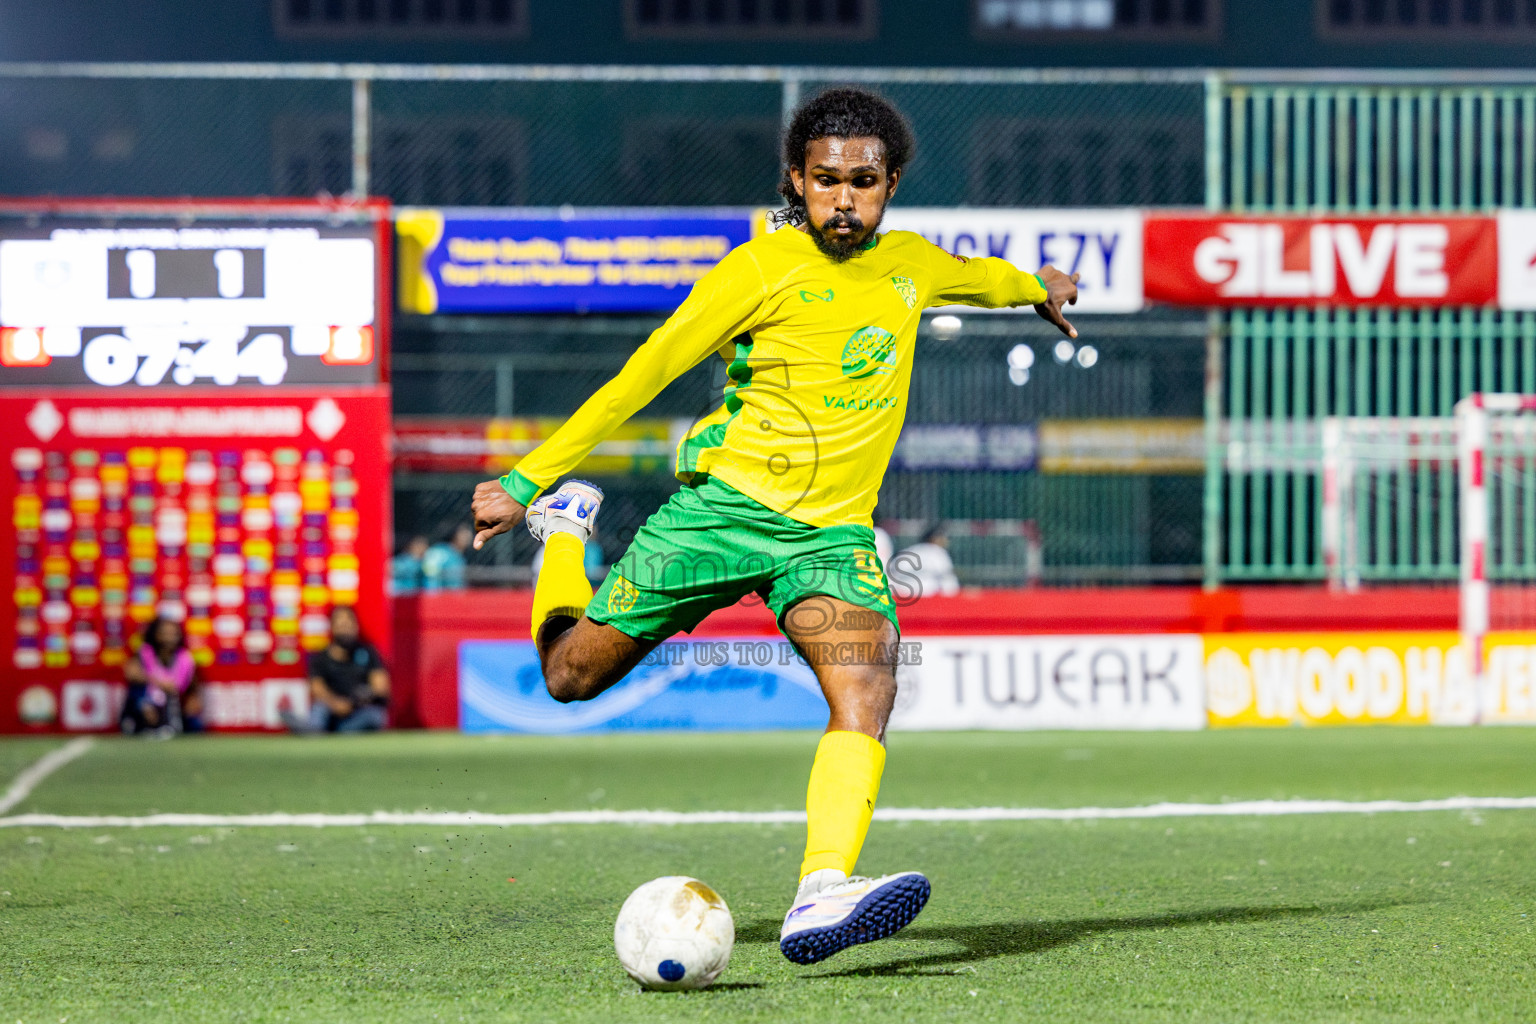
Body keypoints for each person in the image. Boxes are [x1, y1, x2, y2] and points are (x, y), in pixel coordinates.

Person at [469, 87, 1079, 965]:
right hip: (721, 514)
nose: (844, 199)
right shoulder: (755, 271)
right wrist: (529, 482)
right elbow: (643, 375)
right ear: (797, 179)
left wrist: (1041, 289)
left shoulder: (910, 263)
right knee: (570, 677)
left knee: (867, 691)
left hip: (833, 537)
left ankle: (820, 890)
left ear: (891, 182)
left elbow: (987, 277)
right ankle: (569, 530)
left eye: (863, 182)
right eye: (826, 180)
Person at [287, 606, 390, 733]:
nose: (345, 629)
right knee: (319, 709)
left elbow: (381, 687)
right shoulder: (321, 658)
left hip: (358, 710)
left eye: (349, 625)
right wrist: (336, 704)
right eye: (341, 625)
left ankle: (331, 731)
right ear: (332, 627)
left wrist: (357, 699)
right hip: (330, 709)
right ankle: (312, 728)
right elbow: (317, 689)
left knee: (374, 716)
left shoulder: (368, 652)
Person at [120, 617, 204, 736]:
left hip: (175, 702)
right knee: (138, 694)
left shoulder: (184, 657)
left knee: (195, 724)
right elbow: (131, 672)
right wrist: (159, 683)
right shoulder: (146, 652)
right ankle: (138, 722)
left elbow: (191, 686)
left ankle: (170, 725)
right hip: (147, 701)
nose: (169, 638)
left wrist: (192, 700)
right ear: (156, 635)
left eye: (173, 634)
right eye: (164, 633)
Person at [893, 523, 961, 598]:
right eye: (942, 538)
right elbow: (949, 582)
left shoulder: (908, 551)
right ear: (934, 538)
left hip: (902, 595)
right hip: (928, 596)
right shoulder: (938, 552)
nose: (945, 541)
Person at [421, 523, 472, 591]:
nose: (467, 538)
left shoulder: (459, 557)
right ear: (454, 535)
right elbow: (429, 576)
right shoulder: (440, 551)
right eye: (463, 534)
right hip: (439, 597)